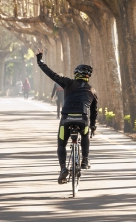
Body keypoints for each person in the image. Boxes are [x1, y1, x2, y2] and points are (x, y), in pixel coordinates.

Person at [36, 49, 98, 184]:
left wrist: (40, 61)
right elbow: (94, 112)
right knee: (85, 135)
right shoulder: (92, 90)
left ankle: (63, 168)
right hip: (83, 120)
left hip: (66, 118)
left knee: (61, 144)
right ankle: (85, 160)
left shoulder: (67, 82)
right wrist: (93, 126)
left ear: (76, 74)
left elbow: (51, 74)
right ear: (88, 76)